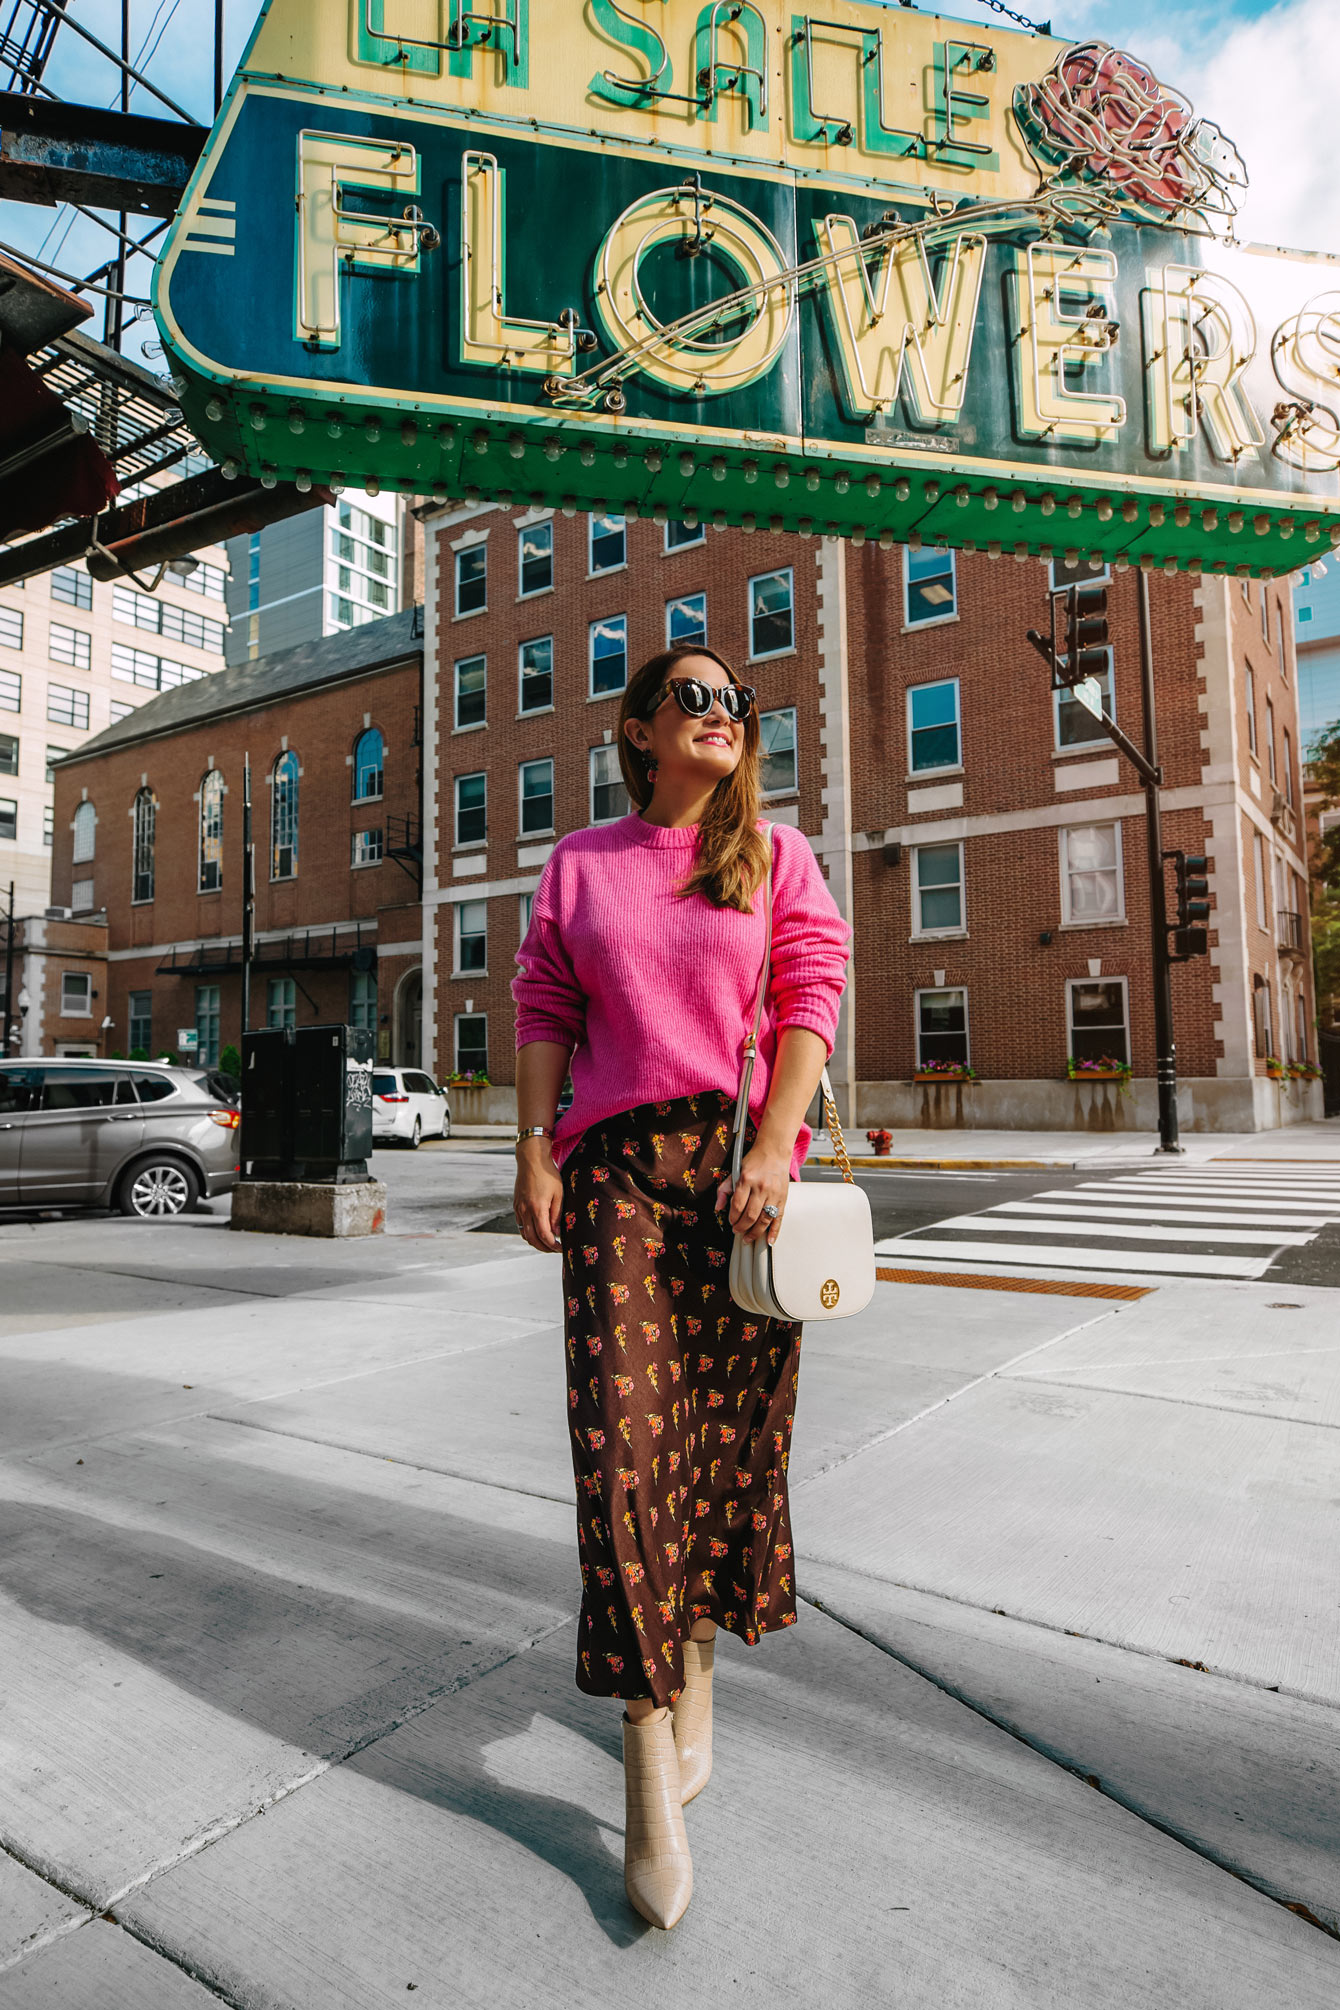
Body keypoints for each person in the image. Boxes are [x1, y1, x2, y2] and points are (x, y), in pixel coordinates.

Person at [511, 644, 849, 1929]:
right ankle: (648, 1757)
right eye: (693, 698)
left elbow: (810, 991)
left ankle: (695, 1659)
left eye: (735, 704)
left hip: (738, 1174)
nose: (720, 715)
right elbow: (543, 1001)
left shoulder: (776, 856)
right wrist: (532, 1147)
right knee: (621, 1454)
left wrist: (774, 1145)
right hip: (615, 1179)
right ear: (639, 729)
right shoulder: (583, 861)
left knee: (723, 1447)